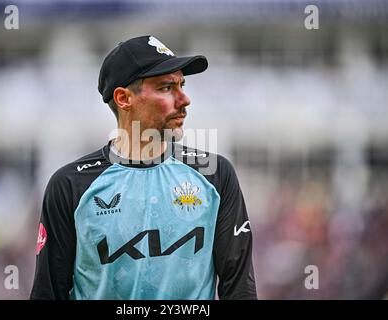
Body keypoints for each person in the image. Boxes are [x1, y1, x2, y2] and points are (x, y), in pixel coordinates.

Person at [30, 35, 257, 300]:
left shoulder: (215, 174)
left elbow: (239, 289)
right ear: (124, 98)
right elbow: (48, 293)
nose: (185, 99)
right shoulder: (70, 185)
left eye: (182, 85)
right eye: (166, 88)